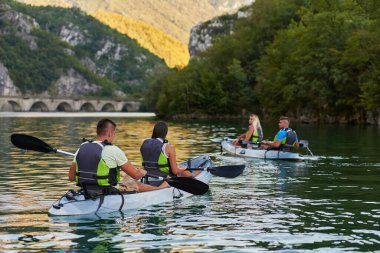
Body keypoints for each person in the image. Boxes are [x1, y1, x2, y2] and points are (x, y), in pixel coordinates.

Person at [68, 118, 168, 196]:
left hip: (85, 190)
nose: (114, 136)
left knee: (126, 176)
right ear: (110, 133)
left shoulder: (82, 147)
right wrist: (142, 172)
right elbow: (136, 176)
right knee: (135, 183)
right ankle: (161, 189)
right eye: (114, 133)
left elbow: (71, 177)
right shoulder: (113, 149)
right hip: (106, 192)